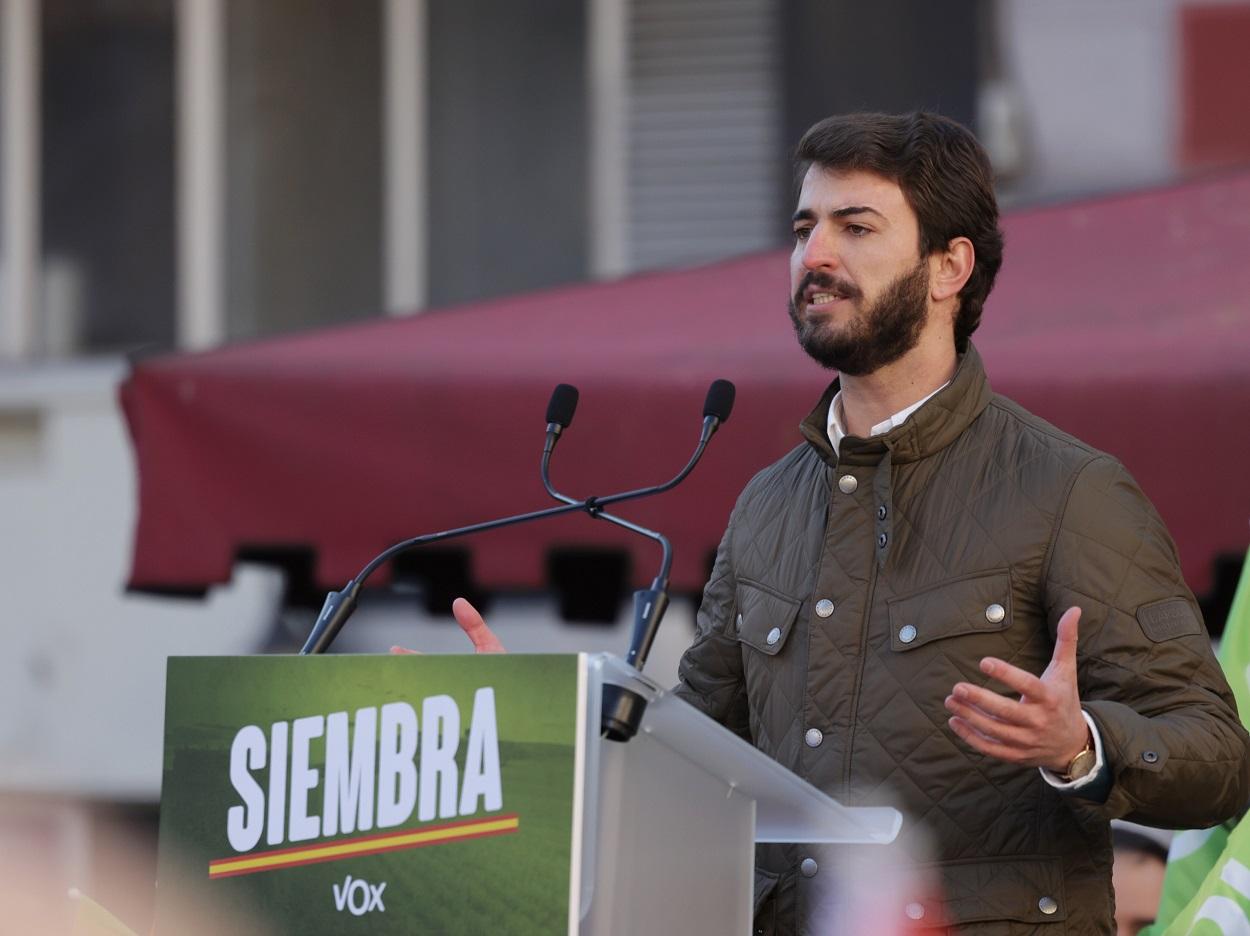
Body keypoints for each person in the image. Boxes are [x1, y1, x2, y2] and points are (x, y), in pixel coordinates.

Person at [426, 112, 1250, 934]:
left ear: (948, 267)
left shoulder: (1071, 490)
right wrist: (542, 729)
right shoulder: (766, 506)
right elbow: (687, 761)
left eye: (856, 227)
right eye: (804, 228)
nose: (814, 256)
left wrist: (1081, 744)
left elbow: (1220, 761)